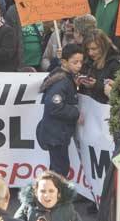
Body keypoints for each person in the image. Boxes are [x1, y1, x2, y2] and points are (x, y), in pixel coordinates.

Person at [38, 45, 85, 177]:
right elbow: (54, 106)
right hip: (56, 133)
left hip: (57, 132)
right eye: (75, 62)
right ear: (64, 62)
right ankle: (54, 195)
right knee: (60, 170)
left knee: (56, 168)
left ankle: (50, 193)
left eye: (81, 62)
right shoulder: (61, 82)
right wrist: (75, 113)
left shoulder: (65, 77)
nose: (79, 65)